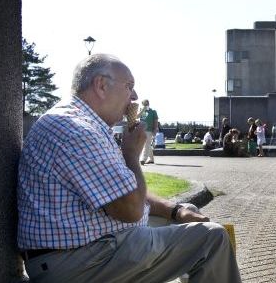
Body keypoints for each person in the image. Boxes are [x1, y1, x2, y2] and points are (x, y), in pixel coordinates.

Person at [17, 54, 240, 283]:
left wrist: (175, 210)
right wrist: (131, 154)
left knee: (188, 214)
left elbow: (124, 190)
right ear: (101, 85)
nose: (134, 96)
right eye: (129, 86)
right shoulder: (76, 130)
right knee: (212, 238)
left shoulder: (83, 123)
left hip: (89, 245)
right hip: (79, 261)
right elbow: (130, 209)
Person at [138, 99, 158, 165]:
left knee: (146, 144)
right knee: (147, 144)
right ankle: (151, 159)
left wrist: (155, 129)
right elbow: (137, 117)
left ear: (148, 104)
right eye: (144, 104)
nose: (145, 105)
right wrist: (143, 110)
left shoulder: (153, 112)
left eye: (146, 104)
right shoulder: (141, 111)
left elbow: (155, 121)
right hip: (141, 130)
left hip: (149, 130)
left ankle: (143, 159)